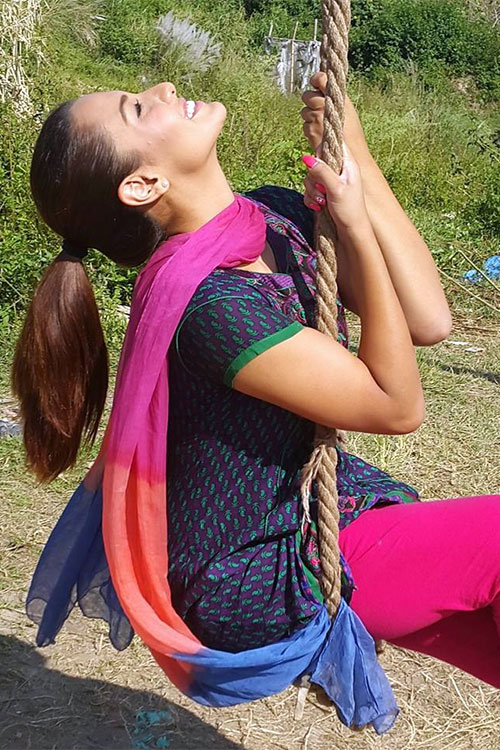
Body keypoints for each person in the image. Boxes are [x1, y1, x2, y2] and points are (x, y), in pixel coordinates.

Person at [13, 74, 500, 734]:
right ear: (144, 185)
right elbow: (395, 405)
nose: (163, 87)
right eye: (138, 108)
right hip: (257, 564)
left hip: (311, 509)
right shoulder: (210, 306)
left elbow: (429, 319)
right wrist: (354, 228)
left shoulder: (270, 216)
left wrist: (355, 157)